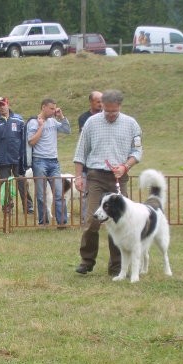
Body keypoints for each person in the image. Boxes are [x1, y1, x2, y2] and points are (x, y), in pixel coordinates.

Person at [73, 89, 143, 276]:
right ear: (101, 106)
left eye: (114, 112)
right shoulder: (91, 123)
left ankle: (117, 266)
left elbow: (137, 153)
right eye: (107, 111)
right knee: (92, 221)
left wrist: (125, 167)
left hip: (119, 178)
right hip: (96, 177)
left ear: (120, 107)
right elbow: (80, 153)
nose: (110, 115)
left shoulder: (131, 124)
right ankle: (86, 261)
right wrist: (79, 177)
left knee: (120, 222)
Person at [26, 98, 71, 225]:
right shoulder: (34, 122)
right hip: (39, 161)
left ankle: (62, 222)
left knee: (59, 192)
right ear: (43, 107)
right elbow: (31, 141)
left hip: (54, 162)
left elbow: (67, 130)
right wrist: (41, 127)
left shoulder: (53, 121)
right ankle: (43, 222)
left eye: (54, 108)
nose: (53, 111)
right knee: (41, 195)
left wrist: (61, 117)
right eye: (51, 108)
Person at [0, 97, 34, 214]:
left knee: (22, 183)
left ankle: (28, 206)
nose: (2, 107)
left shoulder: (19, 120)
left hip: (18, 159)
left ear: (8, 104)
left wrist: (24, 155)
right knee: (5, 185)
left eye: (3, 104)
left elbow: (25, 138)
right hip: (2, 160)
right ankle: (7, 207)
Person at [76, 91, 103, 221]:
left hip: (103, 164)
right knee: (87, 194)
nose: (101, 104)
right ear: (91, 102)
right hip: (88, 163)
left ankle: (103, 219)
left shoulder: (106, 117)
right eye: (98, 101)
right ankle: (85, 220)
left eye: (102, 101)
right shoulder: (84, 118)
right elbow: (85, 141)